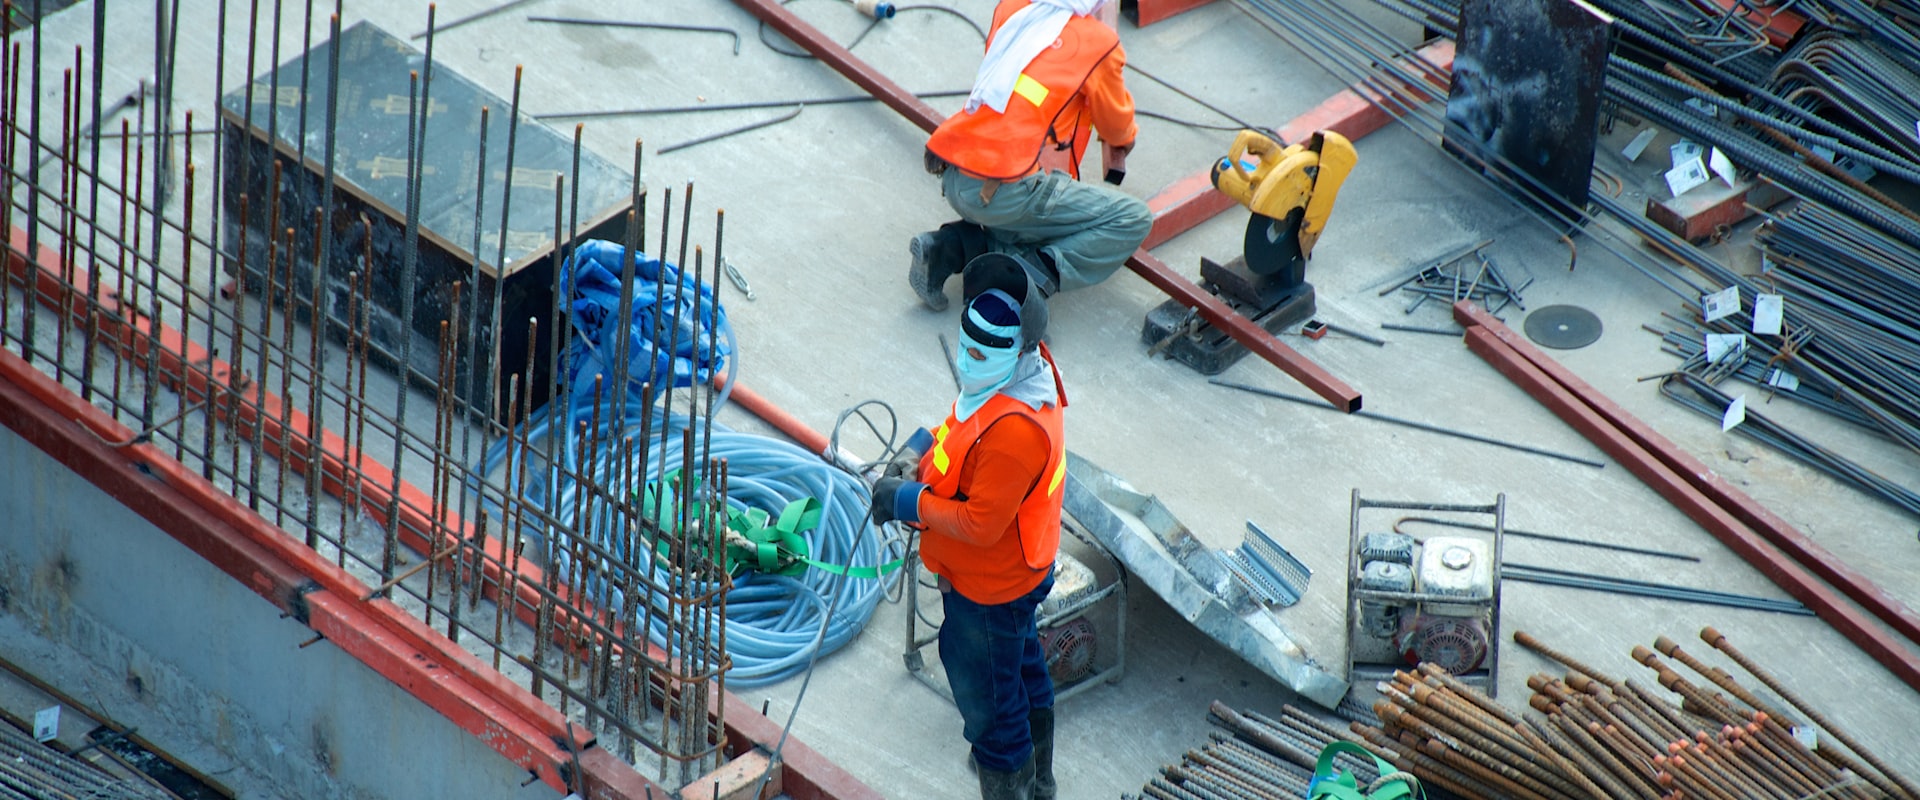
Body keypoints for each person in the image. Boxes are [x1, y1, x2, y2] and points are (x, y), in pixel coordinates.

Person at [871, 253, 1069, 800]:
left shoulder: (1016, 431)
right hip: (1016, 576)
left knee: (990, 705)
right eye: (966, 345)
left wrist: (908, 500)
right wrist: (920, 448)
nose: (970, 358)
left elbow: (981, 524)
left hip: (991, 588)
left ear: (1019, 348)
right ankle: (1039, 779)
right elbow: (963, 428)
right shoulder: (1016, 378)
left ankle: (1010, 775)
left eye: (984, 352)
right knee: (1022, 668)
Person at [908, 0, 1152, 311]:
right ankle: (1018, 285)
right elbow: (1117, 127)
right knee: (1131, 218)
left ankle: (948, 249)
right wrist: (1125, 138)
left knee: (1030, 220)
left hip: (956, 169)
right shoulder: (1098, 43)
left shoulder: (1013, 7)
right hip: (1007, 187)